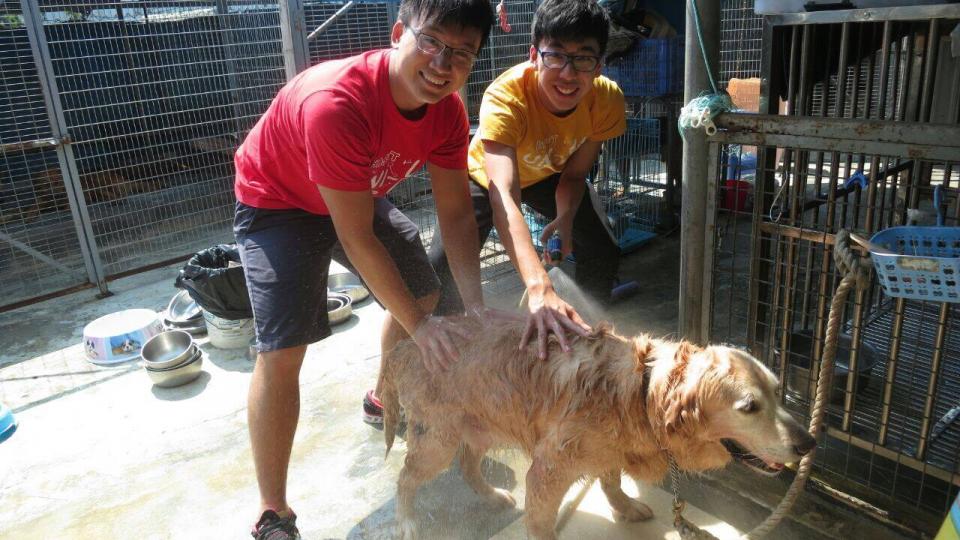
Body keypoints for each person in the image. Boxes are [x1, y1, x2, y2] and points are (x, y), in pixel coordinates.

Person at [232, 1, 495, 537]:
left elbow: (457, 213)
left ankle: (383, 397)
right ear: (399, 32)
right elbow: (354, 237)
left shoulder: (447, 111)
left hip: (353, 193)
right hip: (278, 202)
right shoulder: (338, 103)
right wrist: (422, 332)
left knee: (421, 294)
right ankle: (271, 511)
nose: (443, 64)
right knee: (282, 348)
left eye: (462, 53)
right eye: (431, 42)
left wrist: (477, 307)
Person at [429, 0, 626, 354]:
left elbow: (576, 174)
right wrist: (538, 284)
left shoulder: (607, 100)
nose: (568, 74)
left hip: (549, 173)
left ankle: (584, 343)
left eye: (583, 59)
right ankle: (443, 364)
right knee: (440, 273)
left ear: (598, 66)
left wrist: (565, 222)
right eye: (556, 56)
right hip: (483, 178)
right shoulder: (506, 97)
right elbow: (504, 194)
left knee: (601, 249)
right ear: (534, 54)